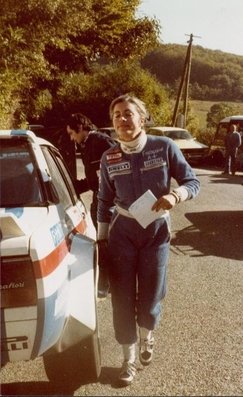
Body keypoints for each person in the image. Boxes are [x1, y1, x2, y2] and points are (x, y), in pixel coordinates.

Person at [97, 94, 200, 386]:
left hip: (156, 232)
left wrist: (175, 195)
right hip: (122, 234)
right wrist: (102, 239)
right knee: (122, 298)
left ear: (142, 118)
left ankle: (148, 335)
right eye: (116, 114)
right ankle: (127, 360)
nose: (122, 119)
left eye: (128, 113)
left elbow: (192, 181)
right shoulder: (109, 157)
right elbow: (103, 200)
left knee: (152, 293)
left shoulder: (164, 147)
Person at [66, 113, 116, 298]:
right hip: (100, 197)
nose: (72, 138)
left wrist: (111, 195)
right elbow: (93, 179)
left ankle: (107, 282)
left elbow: (118, 170)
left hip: (109, 200)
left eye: (72, 133)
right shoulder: (88, 144)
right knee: (104, 241)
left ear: (80, 128)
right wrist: (72, 187)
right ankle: (108, 281)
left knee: (106, 241)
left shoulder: (102, 141)